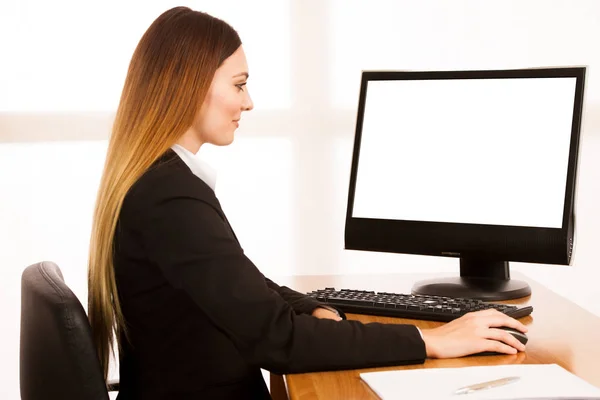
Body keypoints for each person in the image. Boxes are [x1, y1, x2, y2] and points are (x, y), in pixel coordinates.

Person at [87, 6, 528, 399]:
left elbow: (248, 286)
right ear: (189, 84)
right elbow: (278, 340)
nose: (249, 102)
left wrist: (311, 307)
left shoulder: (160, 182)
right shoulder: (170, 198)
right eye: (239, 85)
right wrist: (431, 340)